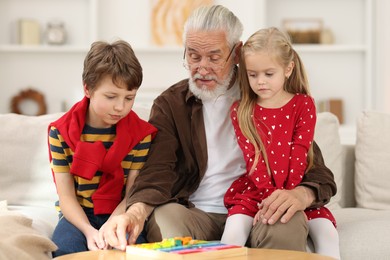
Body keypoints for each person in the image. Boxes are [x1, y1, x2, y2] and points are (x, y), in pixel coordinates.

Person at [101, 5, 336, 252]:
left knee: (287, 222)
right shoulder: (171, 104)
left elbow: (316, 170)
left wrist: (301, 195)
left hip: (259, 210)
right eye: (193, 56)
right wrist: (136, 213)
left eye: (213, 57)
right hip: (197, 213)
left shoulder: (267, 95)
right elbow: (157, 172)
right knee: (166, 217)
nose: (202, 68)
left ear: (236, 53)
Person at [220, 27, 340, 259]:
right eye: (252, 75)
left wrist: (287, 196)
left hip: (296, 190)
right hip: (256, 191)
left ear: (288, 69)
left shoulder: (304, 105)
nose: (260, 82)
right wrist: (270, 198)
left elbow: (300, 151)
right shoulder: (241, 110)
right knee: (233, 233)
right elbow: (253, 158)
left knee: (328, 235)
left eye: (268, 73)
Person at [48, 40, 157, 257]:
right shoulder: (60, 132)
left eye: (129, 98)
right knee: (65, 251)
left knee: (134, 252)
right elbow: (67, 197)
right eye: (111, 97)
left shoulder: (141, 135)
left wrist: (112, 224)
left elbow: (133, 193)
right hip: (78, 216)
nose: (120, 107)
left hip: (121, 212)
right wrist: (89, 231)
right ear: (87, 88)